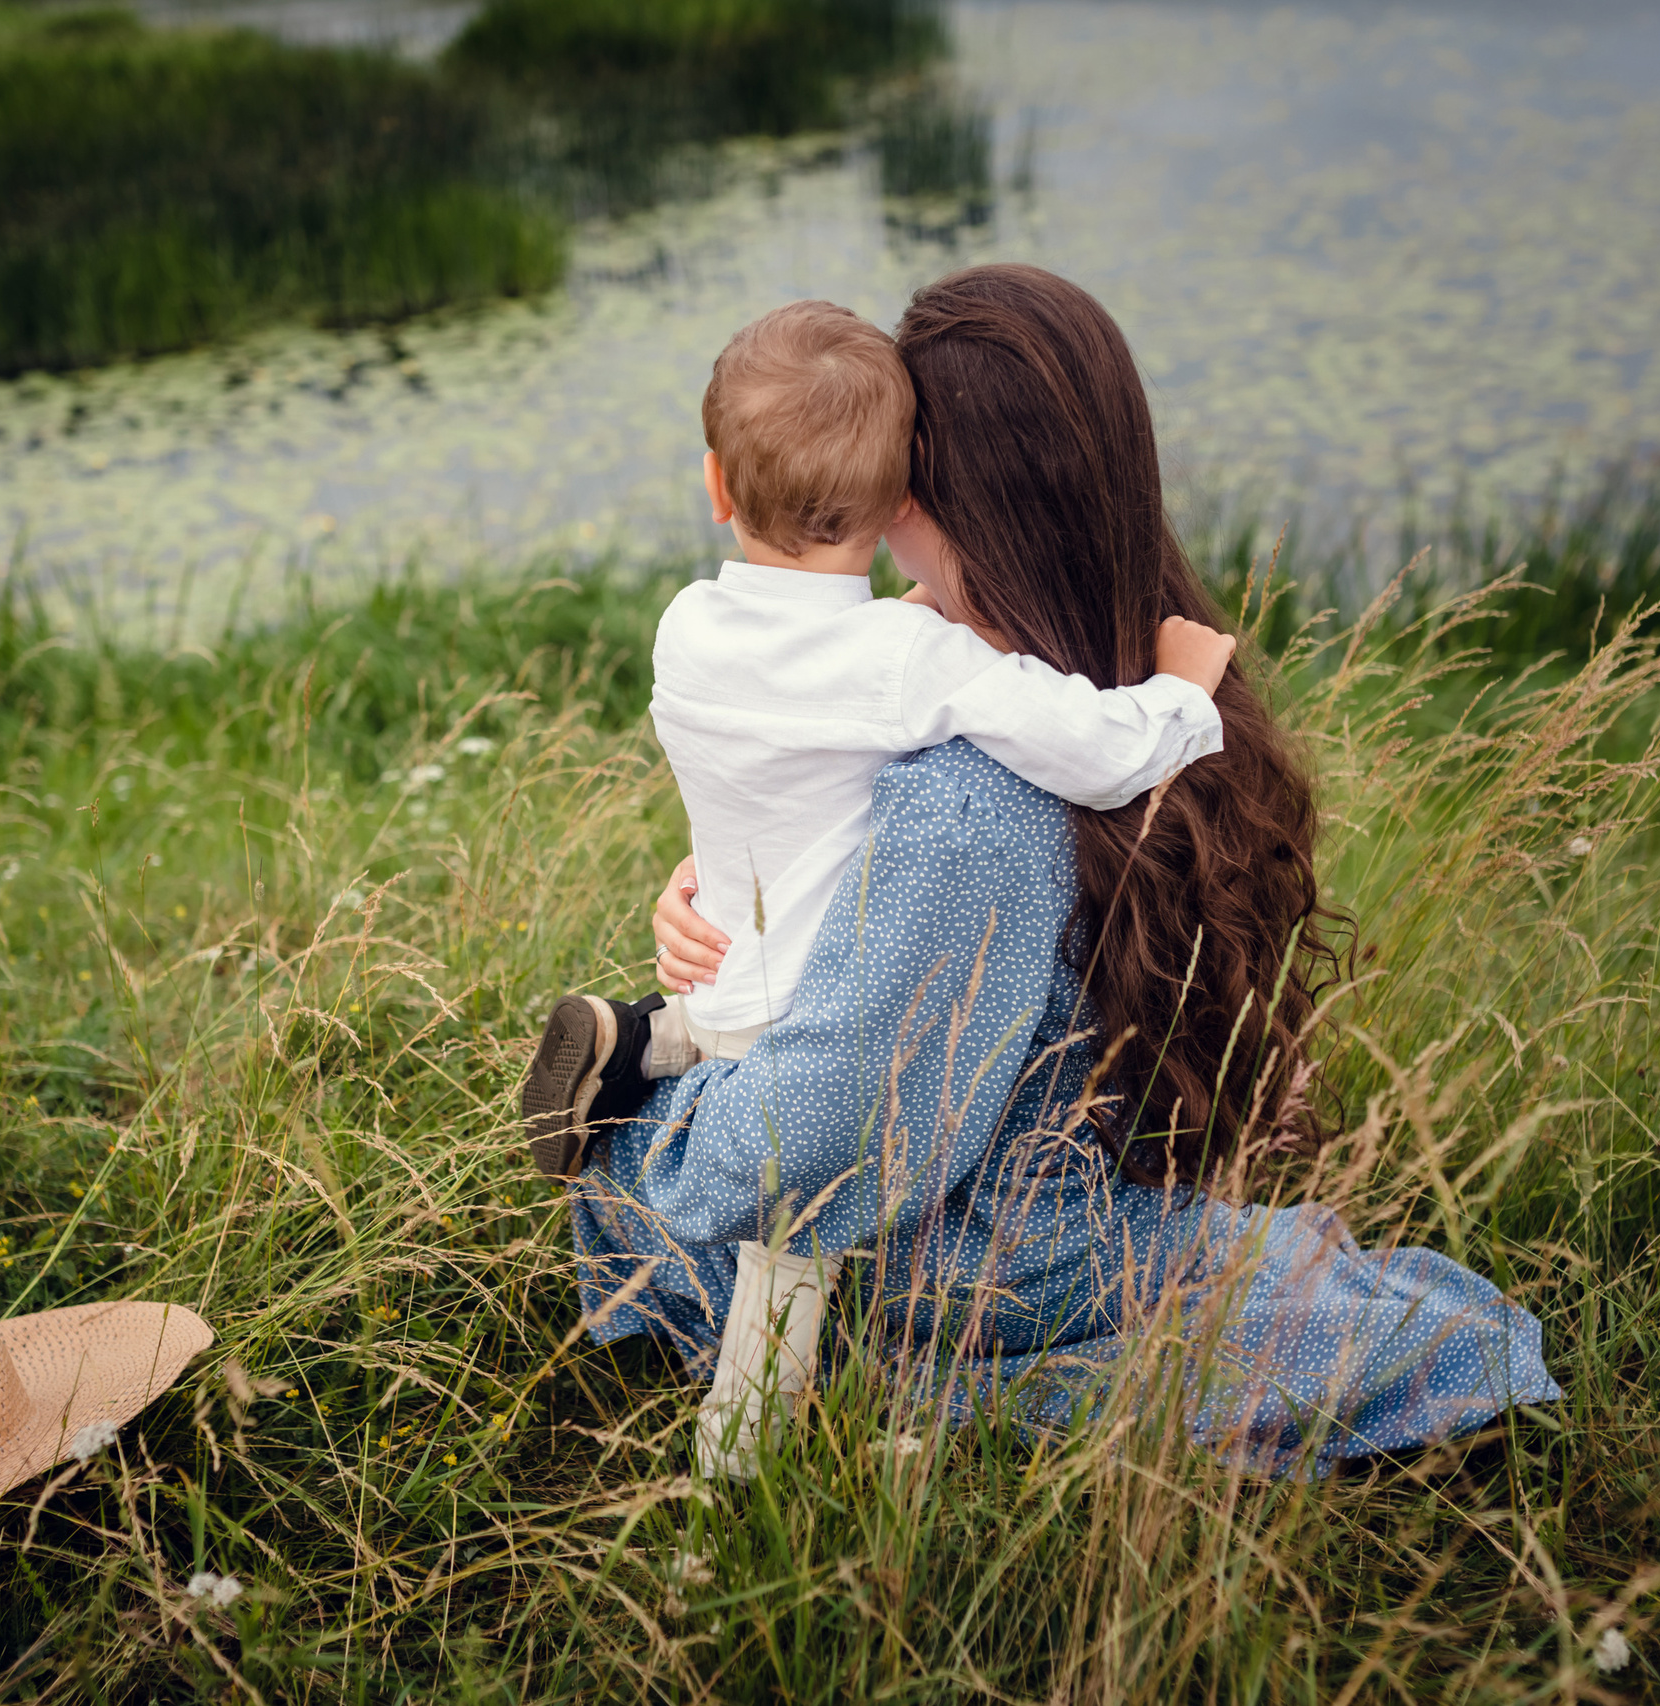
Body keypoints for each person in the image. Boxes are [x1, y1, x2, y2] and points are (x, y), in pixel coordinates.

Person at [571, 265, 1560, 1475]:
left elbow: (816, 1137)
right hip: (1053, 1204)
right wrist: (726, 892)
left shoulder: (965, 797)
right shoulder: (1130, 696)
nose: (871, 526)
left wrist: (668, 1145)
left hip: (943, 1256)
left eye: (897, 484)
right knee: (1298, 1279)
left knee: (628, 1165)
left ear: (945, 500)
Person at [520, 299, 1237, 1179]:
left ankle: (644, 1045)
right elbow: (1102, 754)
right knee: (782, 1286)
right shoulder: (910, 662)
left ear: (716, 486)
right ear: (900, 495)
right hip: (815, 1033)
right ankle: (744, 1300)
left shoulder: (687, 625)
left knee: (714, 1052)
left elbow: (807, 709)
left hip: (717, 986)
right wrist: (1180, 694)